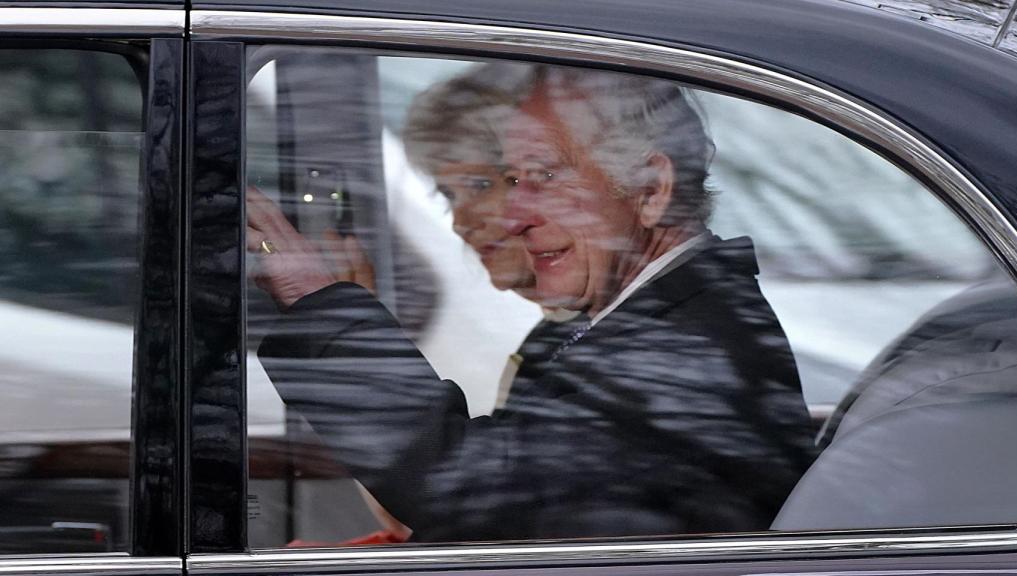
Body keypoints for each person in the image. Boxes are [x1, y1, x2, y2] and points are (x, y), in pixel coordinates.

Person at [248, 62, 815, 542]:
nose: (512, 217)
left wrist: (317, 302)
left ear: (651, 190)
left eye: (544, 176)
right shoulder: (647, 323)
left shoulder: (683, 350)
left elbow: (467, 489)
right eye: (514, 181)